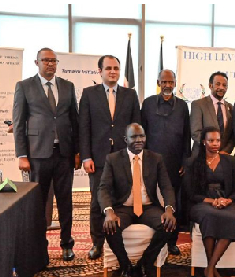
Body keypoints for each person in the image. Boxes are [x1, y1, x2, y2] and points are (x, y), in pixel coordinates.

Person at [12, 47, 80, 262]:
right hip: (37, 155)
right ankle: (39, 246)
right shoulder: (24, 86)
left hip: (64, 154)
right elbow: (19, 122)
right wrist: (22, 155)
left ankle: (67, 244)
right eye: (46, 60)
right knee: (39, 204)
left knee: (65, 201)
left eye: (53, 60)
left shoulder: (68, 87)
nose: (50, 64)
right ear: (36, 62)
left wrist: (77, 151)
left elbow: (75, 122)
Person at [98, 123, 176, 277]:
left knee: (168, 224)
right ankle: (125, 266)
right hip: (123, 207)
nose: (139, 140)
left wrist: (169, 209)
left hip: (148, 207)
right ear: (126, 139)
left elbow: (166, 186)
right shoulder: (113, 159)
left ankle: (144, 264)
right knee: (110, 227)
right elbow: (103, 188)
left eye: (142, 136)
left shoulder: (155, 158)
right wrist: (109, 212)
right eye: (134, 137)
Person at [79, 55, 141, 260]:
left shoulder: (130, 95)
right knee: (98, 202)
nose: (112, 71)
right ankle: (97, 242)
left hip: (124, 157)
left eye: (116, 68)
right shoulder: (89, 94)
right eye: (108, 68)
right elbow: (84, 128)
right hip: (97, 158)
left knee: (122, 199)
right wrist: (86, 156)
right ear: (100, 71)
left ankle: (118, 240)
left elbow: (136, 127)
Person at [184, 126, 235, 277]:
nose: (215, 143)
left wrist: (227, 200)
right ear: (203, 142)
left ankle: (210, 268)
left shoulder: (230, 161)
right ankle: (212, 269)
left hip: (227, 202)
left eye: (217, 140)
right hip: (202, 203)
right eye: (211, 140)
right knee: (209, 216)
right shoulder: (194, 162)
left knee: (231, 217)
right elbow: (191, 194)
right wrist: (211, 201)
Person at [141, 69, 191, 256]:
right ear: (158, 83)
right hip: (151, 163)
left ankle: (172, 241)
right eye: (164, 82)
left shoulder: (183, 107)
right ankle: (156, 238)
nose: (168, 85)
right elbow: (142, 133)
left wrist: (185, 161)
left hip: (174, 162)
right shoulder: (147, 104)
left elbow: (187, 137)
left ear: (175, 83)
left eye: (171, 82)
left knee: (174, 201)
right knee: (154, 200)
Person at [190, 71, 235, 158]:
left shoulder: (231, 108)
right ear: (210, 86)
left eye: (224, 85)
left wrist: (225, 151)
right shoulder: (198, 104)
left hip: (222, 157)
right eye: (218, 84)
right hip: (201, 156)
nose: (221, 87)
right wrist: (212, 147)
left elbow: (233, 135)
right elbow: (196, 132)